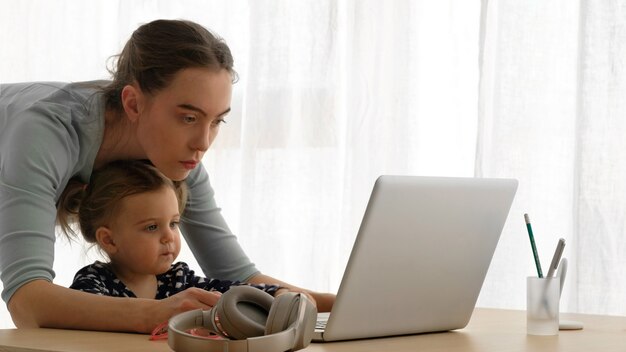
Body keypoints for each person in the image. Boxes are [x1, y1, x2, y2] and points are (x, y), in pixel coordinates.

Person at [0, 19, 335, 333]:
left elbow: (237, 277)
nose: (204, 143)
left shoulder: (176, 155)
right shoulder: (46, 133)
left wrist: (339, 304)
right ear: (132, 104)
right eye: (189, 118)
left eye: (217, 121)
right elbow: (27, 302)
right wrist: (159, 313)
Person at [63, 159, 282, 300]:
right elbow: (81, 314)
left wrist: (275, 293)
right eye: (151, 227)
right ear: (109, 240)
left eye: (173, 224)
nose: (169, 236)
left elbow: (231, 290)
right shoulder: (93, 282)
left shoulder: (177, 279)